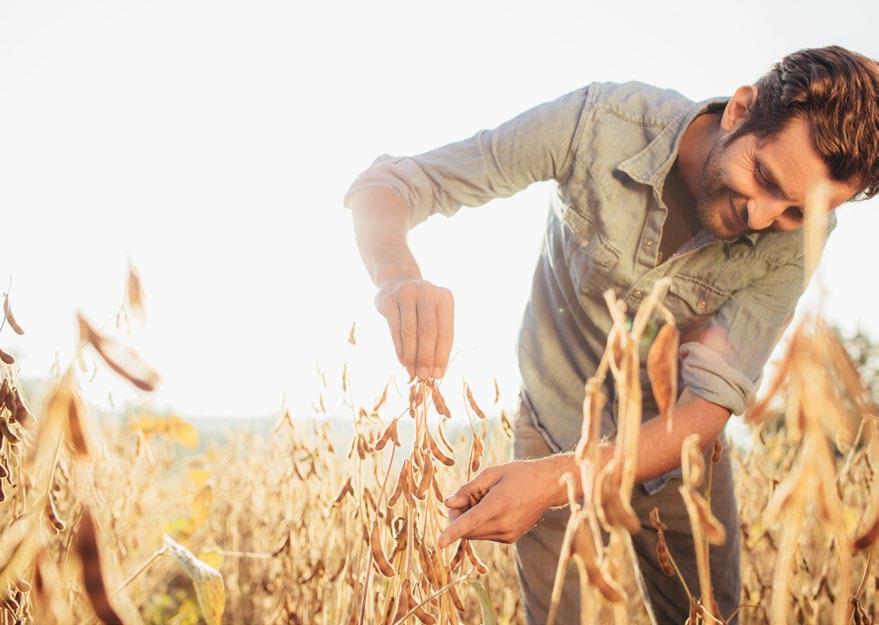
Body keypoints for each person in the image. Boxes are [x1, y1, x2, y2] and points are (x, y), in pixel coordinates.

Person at [343, 46, 879, 624]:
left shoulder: (794, 238)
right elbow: (388, 186)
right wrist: (397, 277)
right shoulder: (597, 125)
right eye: (763, 177)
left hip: (678, 459)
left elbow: (704, 410)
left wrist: (556, 483)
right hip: (549, 429)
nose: (762, 218)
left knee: (708, 617)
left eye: (795, 211)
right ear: (740, 110)